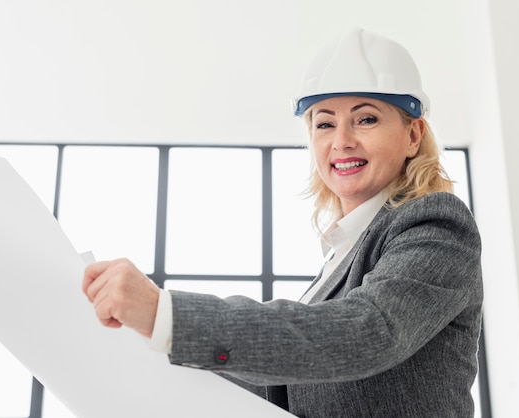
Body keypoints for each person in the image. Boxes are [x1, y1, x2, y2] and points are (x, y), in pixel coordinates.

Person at [82, 27, 483, 418]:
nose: (341, 140)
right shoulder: (339, 257)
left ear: (413, 134)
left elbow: (365, 334)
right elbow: (285, 387)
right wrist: (152, 353)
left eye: (365, 119)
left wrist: (166, 314)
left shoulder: (436, 225)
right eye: (324, 123)